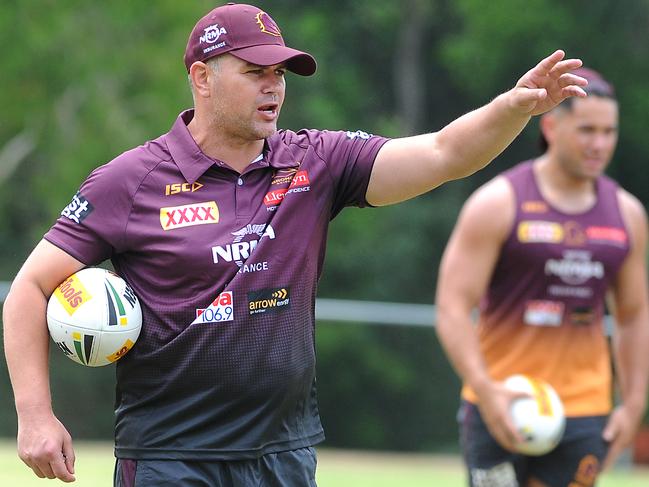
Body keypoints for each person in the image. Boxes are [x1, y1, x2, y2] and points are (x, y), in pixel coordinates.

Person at [2, 2, 587, 486]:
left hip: (284, 455)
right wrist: (35, 416)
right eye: (255, 71)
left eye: (279, 74)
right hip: (171, 458)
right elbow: (29, 288)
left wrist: (512, 109)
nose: (273, 87)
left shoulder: (317, 161)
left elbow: (442, 154)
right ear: (202, 77)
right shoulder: (128, 181)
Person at [435, 67, 649, 487]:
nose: (599, 144)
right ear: (550, 125)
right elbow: (452, 307)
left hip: (585, 411)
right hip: (499, 403)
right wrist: (484, 388)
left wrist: (634, 401)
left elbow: (633, 315)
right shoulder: (497, 203)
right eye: (587, 130)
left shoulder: (627, 215)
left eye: (609, 132)